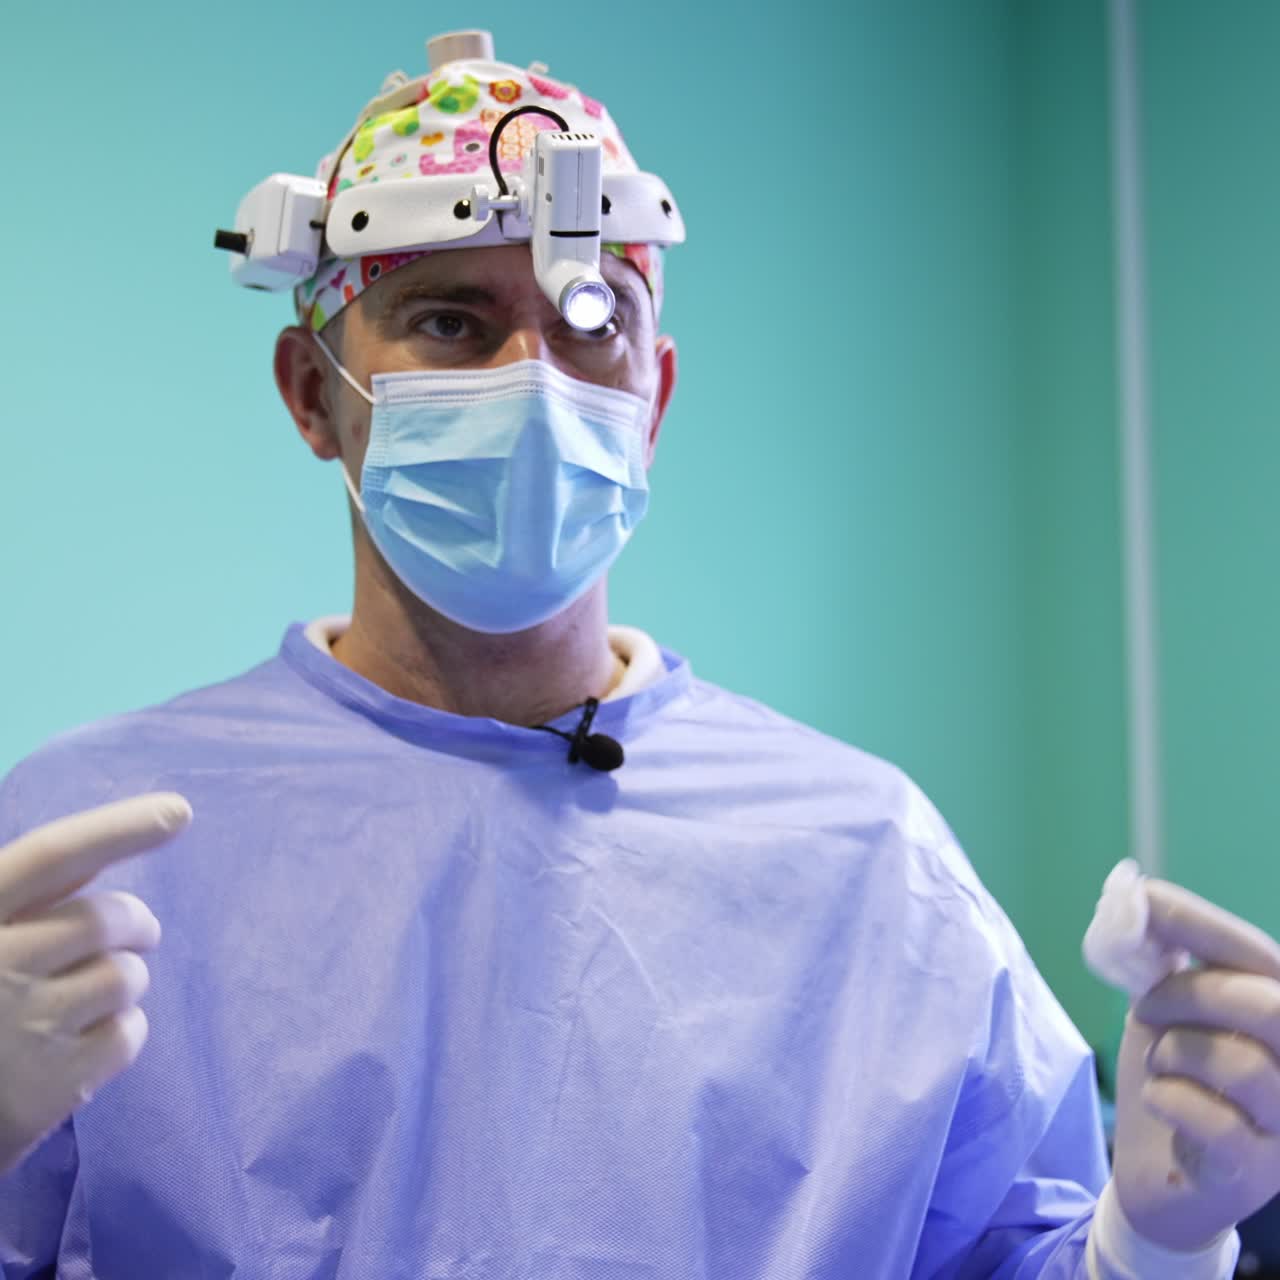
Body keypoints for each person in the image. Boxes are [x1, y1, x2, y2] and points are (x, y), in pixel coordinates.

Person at [1, 30, 1277, 1279]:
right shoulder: (90, 855)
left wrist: (1153, 1243)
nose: (532, 379)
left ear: (652, 396)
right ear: (310, 391)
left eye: (588, 316)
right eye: (448, 321)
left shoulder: (864, 860)